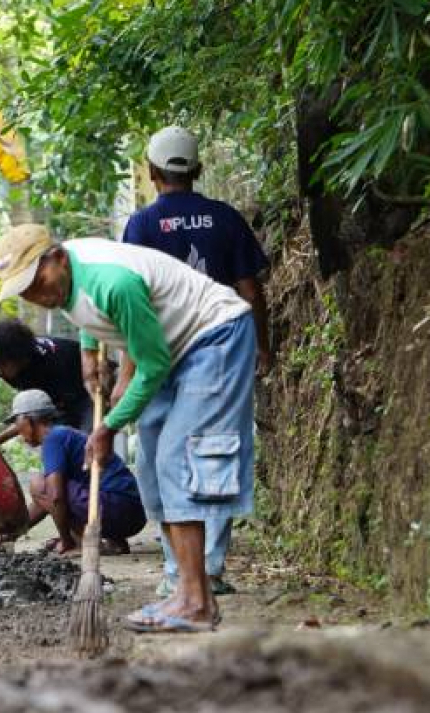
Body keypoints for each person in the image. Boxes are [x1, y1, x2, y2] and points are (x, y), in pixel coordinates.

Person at [0, 224, 256, 633]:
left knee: (178, 458)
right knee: (151, 467)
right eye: (23, 290)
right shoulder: (65, 282)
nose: (34, 295)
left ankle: (196, 602)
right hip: (174, 346)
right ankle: (189, 591)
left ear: (57, 258)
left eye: (35, 281)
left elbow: (152, 365)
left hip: (213, 336)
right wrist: (87, 354)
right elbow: (91, 315)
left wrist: (109, 426)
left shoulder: (113, 282)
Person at [123, 125, 274, 599]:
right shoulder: (225, 218)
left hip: (160, 354)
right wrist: (263, 346)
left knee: (158, 455)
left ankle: (176, 571)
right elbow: (251, 291)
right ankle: (208, 568)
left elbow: (133, 300)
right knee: (213, 452)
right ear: (199, 169)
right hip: (217, 352)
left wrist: (126, 369)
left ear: (151, 172)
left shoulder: (142, 225)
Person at [7, 389, 145, 555]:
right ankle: (114, 542)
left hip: (118, 509)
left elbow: (55, 497)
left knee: (40, 485)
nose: (17, 430)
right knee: (45, 489)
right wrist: (10, 534)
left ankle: (79, 543)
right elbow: (42, 503)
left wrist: (66, 540)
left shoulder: (53, 439)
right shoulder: (63, 434)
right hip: (133, 513)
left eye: (16, 421)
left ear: (28, 420)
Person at [0, 318, 94, 433]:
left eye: (2, 365)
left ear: (21, 360)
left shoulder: (51, 365)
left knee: (83, 440)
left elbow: (39, 419)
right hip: (61, 399)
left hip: (85, 390)